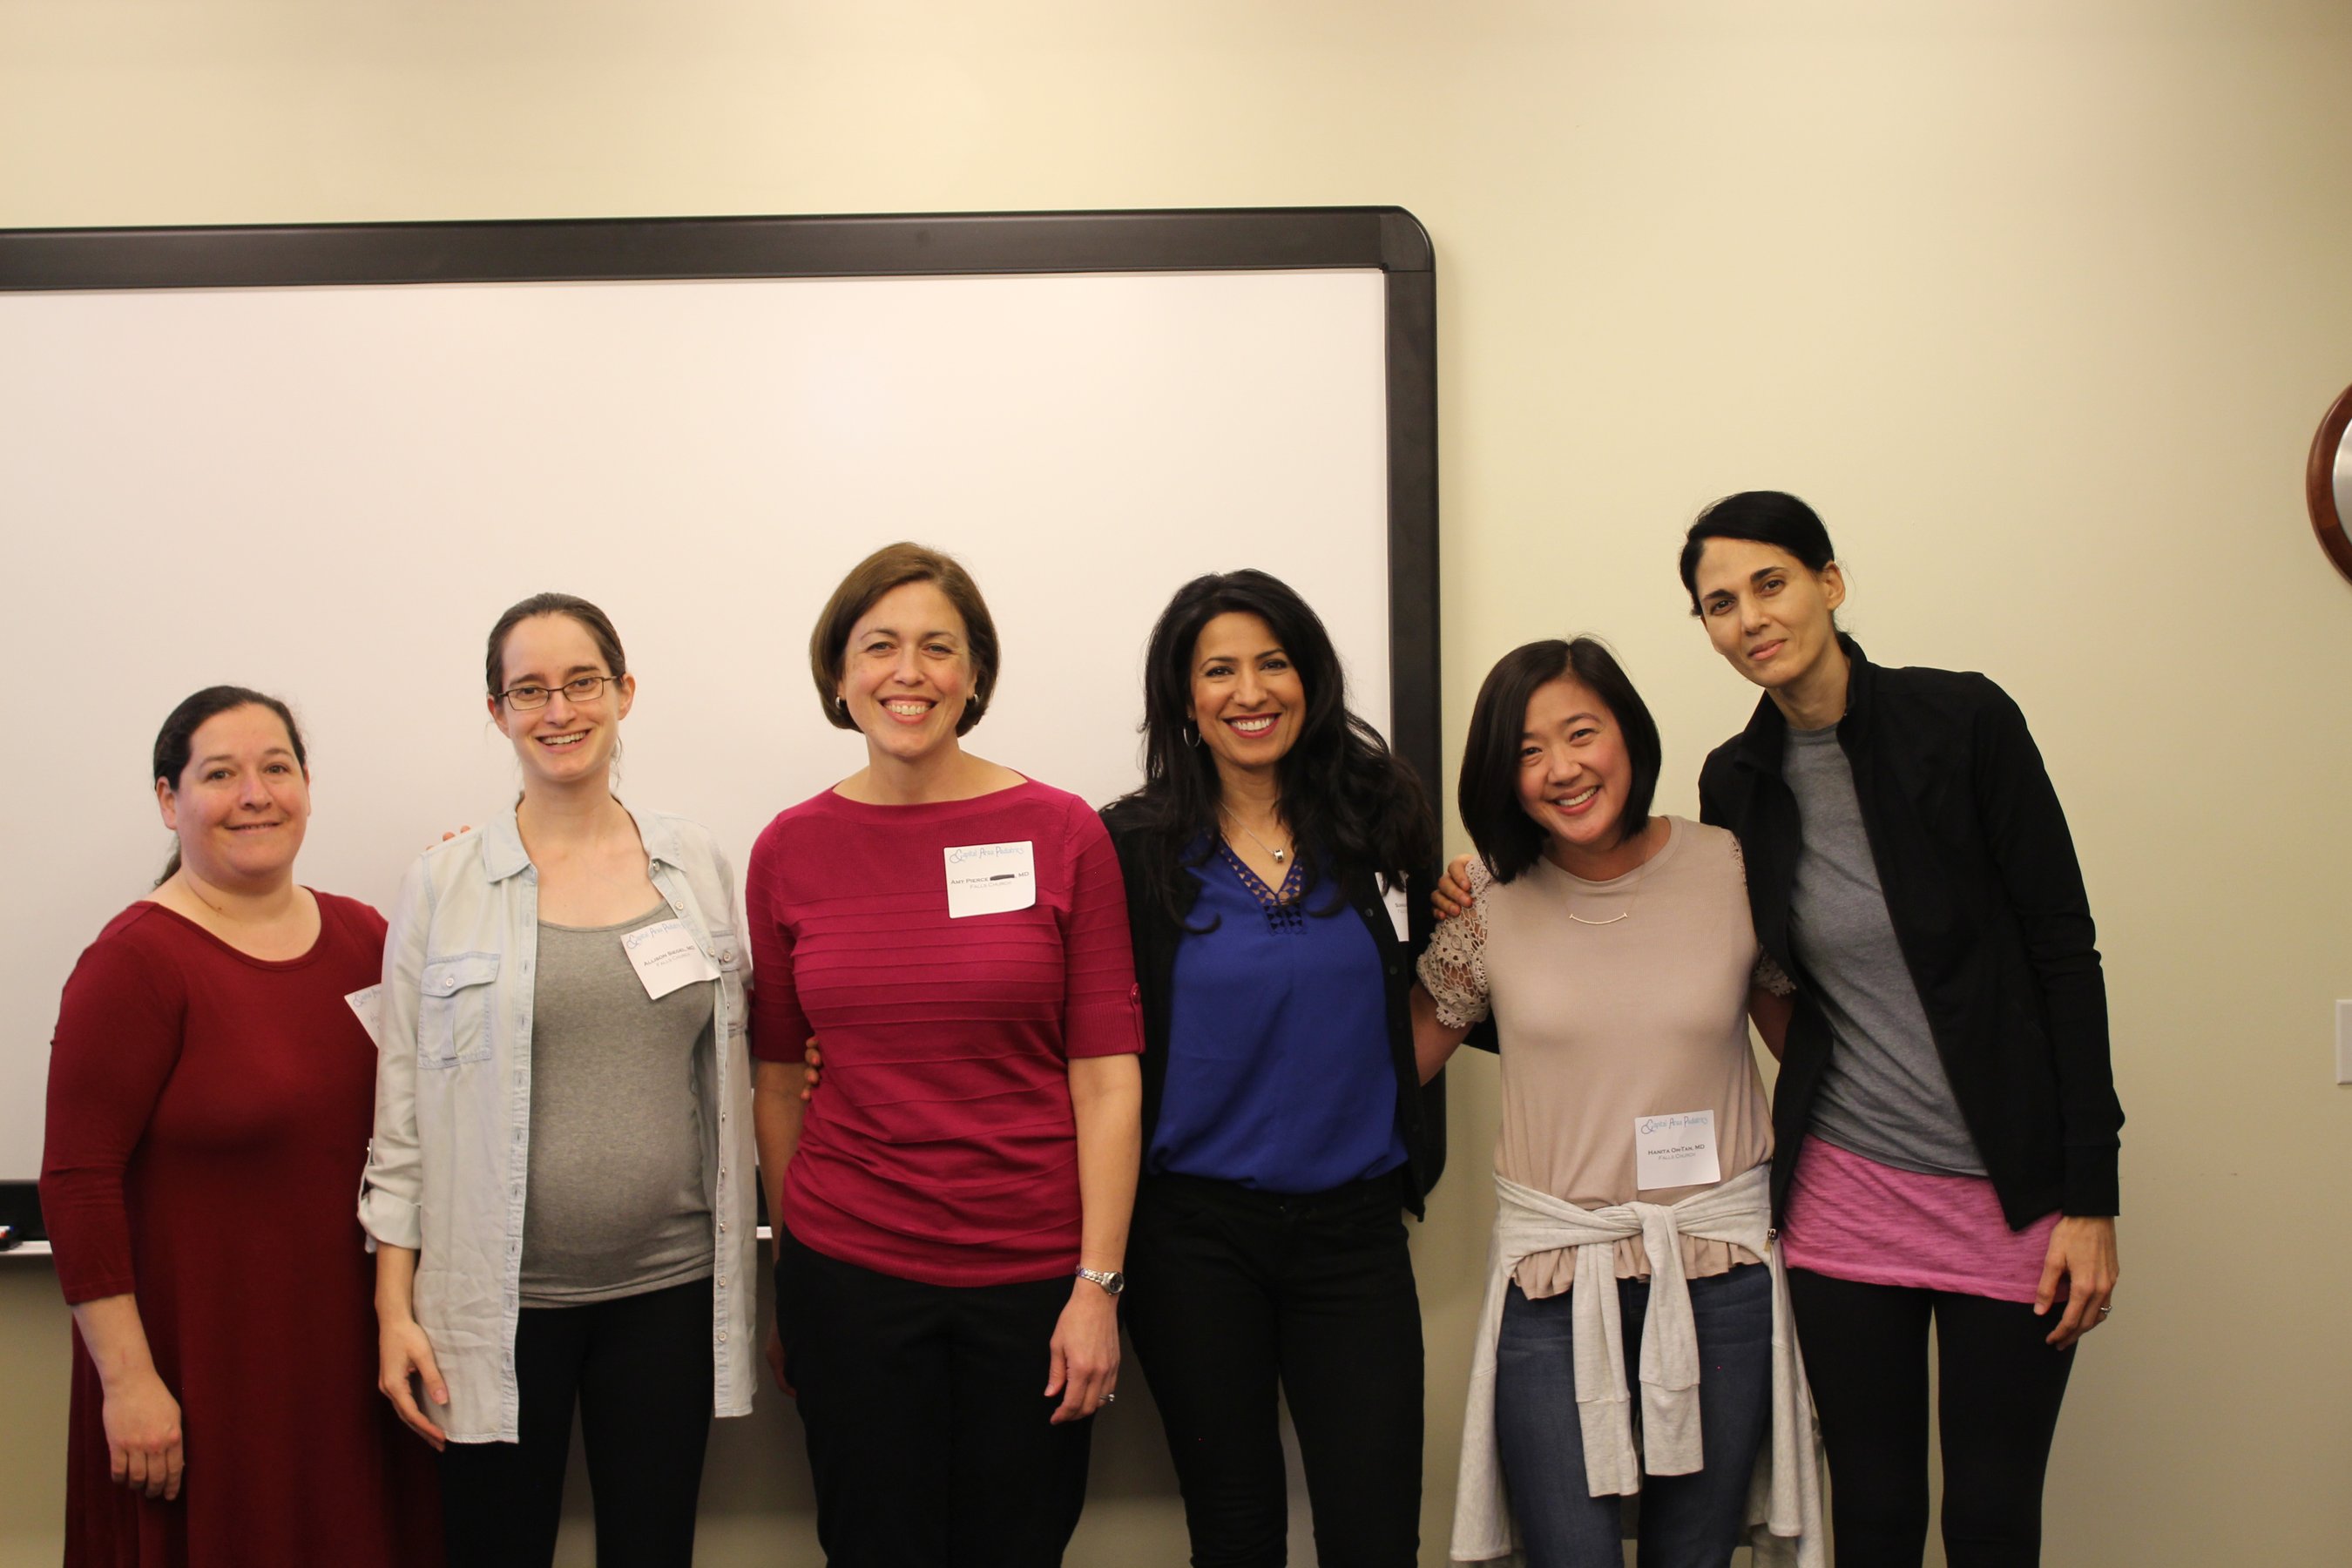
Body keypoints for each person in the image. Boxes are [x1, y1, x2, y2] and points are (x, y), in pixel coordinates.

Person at [1679, 490, 2121, 1566]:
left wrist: (2091, 1198)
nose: (1750, 618)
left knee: (1990, 1519)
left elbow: (2064, 955)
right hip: (1846, 1193)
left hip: (2011, 1193)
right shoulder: (1735, 781)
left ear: (1830, 583)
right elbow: (1744, 960)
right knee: (1872, 1516)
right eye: (1720, 604)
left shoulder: (1965, 722)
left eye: (1770, 584)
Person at [748, 542, 1144, 1568]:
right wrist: (794, 1277)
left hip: (1035, 1279)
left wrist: (1098, 1287)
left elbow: (1107, 1077)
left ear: (975, 675)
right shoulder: (788, 848)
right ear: (840, 674)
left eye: (938, 647)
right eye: (879, 646)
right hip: (849, 1277)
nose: (908, 672)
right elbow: (779, 1078)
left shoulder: (1063, 832)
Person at [362, 593, 758, 1568]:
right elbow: (402, 1119)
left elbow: (736, 1055)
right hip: (495, 1306)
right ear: (496, 711)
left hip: (668, 1290)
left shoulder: (694, 863)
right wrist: (392, 1310)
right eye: (529, 690)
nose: (559, 710)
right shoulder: (443, 883)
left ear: (624, 693)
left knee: (652, 1550)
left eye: (583, 683)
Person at [1415, 639, 1821, 1568]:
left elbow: (1809, 1056)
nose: (1560, 768)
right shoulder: (1485, 898)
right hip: (1553, 1280)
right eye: (1527, 751)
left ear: (1629, 735)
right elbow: (1395, 1069)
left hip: (1719, 1269)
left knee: (1695, 1554)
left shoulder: (1730, 866)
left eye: (1581, 733)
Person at [40, 686, 442, 1567]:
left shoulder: (366, 937)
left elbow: (437, 1102)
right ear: (168, 799)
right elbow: (76, 1183)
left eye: (276, 768)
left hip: (352, 1360)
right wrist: (128, 1383)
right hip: (205, 1371)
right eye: (220, 774)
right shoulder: (135, 963)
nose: (255, 795)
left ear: (307, 787)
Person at [1098, 568, 1440, 1568]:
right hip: (1193, 1240)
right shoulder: (1130, 847)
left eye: (1273, 663)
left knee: (1376, 1530)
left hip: (1355, 1235)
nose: (1249, 692)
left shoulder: (1379, 822)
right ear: (1183, 697)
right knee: (1235, 1527)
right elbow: (1075, 1032)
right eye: (1219, 671)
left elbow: (1434, 990)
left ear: (1310, 679)